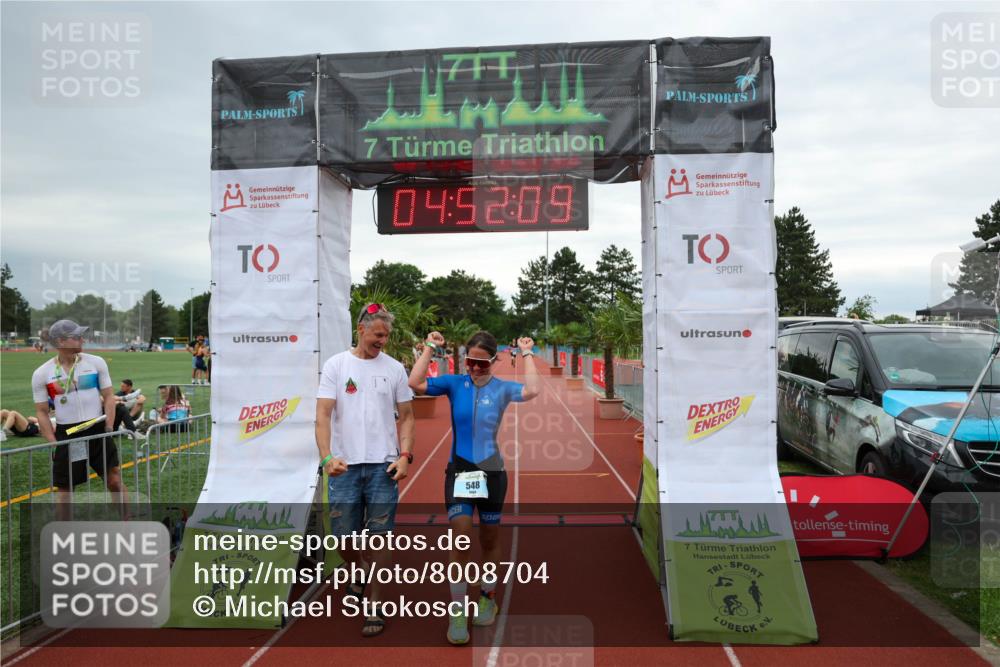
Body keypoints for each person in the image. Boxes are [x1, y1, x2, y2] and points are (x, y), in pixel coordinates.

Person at [409, 330, 540, 645]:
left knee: (490, 538)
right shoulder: (455, 384)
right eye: (470, 362)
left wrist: (526, 352)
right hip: (461, 470)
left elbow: (533, 390)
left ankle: (487, 596)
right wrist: (430, 347)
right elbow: (414, 383)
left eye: (482, 364)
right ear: (464, 360)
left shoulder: (503, 389)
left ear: (494, 361)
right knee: (461, 535)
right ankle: (457, 609)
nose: (475, 369)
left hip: (492, 472)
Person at [315, 303, 415, 638]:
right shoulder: (336, 366)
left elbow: (408, 415)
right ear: (361, 330)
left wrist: (405, 456)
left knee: (380, 536)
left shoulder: (395, 369)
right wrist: (327, 458)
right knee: (343, 538)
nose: (383, 341)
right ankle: (357, 568)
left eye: (386, 335)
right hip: (344, 466)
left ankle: (374, 603)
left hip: (383, 466)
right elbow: (323, 415)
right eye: (378, 334)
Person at [31, 319, 127, 515]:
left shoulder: (96, 362)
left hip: (98, 429)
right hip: (69, 434)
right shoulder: (42, 373)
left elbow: (109, 396)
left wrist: (108, 425)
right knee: (66, 489)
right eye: (76, 337)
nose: (82, 339)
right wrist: (53, 442)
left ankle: (129, 520)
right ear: (61, 341)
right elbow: (41, 411)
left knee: (114, 480)